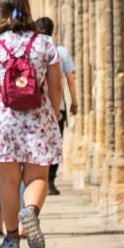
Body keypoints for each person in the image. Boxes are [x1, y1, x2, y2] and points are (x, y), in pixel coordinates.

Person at [0, 0, 66, 248]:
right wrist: (56, 111)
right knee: (38, 176)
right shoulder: (45, 42)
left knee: (9, 181)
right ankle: (32, 212)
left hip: (4, 118)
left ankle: (11, 238)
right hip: (38, 116)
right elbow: (55, 86)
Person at [34, 16, 80, 192]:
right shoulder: (60, 51)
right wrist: (74, 102)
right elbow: (69, 80)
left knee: (38, 142)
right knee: (55, 142)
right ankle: (50, 180)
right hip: (56, 105)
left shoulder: (34, 49)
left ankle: (38, 179)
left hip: (35, 106)